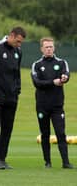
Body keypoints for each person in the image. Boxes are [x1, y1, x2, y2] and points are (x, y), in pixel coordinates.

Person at [0, 27, 26, 169]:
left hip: (11, 97)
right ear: (12, 36)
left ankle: (3, 158)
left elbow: (17, 74)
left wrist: (17, 91)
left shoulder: (18, 52)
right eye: (18, 41)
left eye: (21, 42)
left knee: (7, 128)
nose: (19, 44)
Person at [31, 37, 73, 169]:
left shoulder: (61, 62)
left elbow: (66, 74)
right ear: (42, 49)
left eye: (51, 47)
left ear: (54, 48)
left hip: (57, 106)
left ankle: (65, 162)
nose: (49, 49)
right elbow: (37, 83)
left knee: (61, 133)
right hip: (42, 106)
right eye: (46, 47)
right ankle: (47, 162)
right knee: (45, 134)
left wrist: (65, 78)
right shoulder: (36, 65)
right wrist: (52, 82)